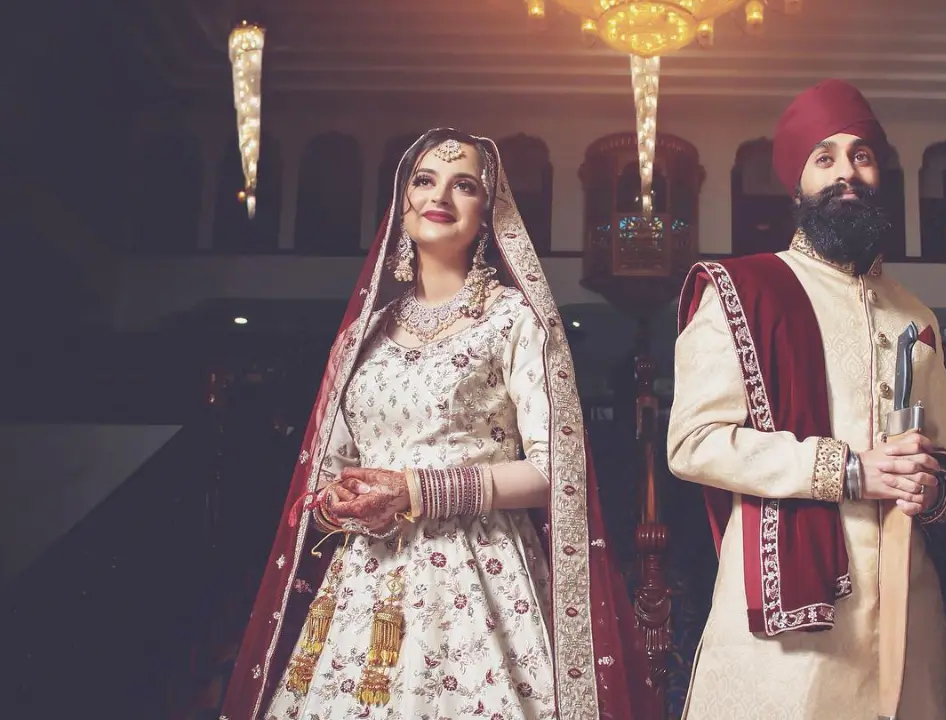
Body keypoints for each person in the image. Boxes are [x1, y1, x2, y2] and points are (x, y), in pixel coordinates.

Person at [221, 129, 653, 720]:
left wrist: (417, 491)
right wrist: (336, 501)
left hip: (478, 575)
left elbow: (558, 471)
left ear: (488, 211)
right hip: (363, 588)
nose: (440, 194)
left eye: (465, 185)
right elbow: (327, 474)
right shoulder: (360, 339)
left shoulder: (515, 321)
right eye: (424, 180)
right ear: (403, 204)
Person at [667, 81, 946, 719]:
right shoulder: (744, 289)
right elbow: (692, 444)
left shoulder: (916, 315)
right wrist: (848, 469)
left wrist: (931, 489)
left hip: (911, 607)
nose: (846, 172)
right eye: (824, 158)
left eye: (862, 156)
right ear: (797, 185)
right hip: (791, 624)